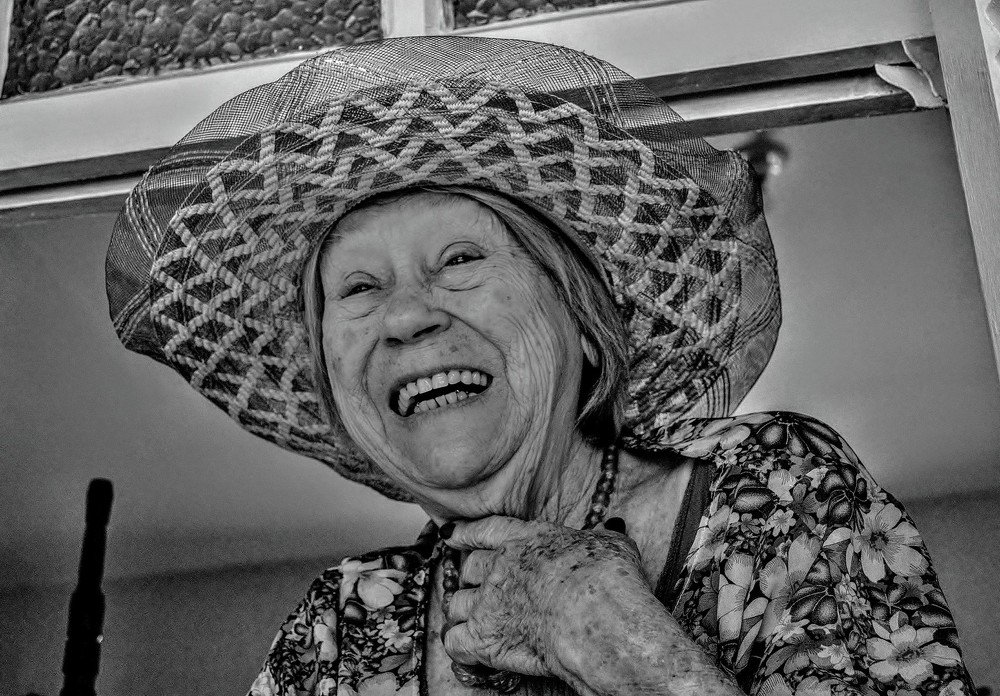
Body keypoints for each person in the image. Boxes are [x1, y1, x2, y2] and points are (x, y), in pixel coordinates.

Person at [105, 36, 976, 696]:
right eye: (359, 289)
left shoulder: (778, 489)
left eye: (459, 261)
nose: (406, 317)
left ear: (586, 325)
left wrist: (616, 638)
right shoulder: (339, 633)